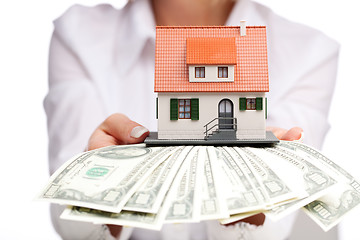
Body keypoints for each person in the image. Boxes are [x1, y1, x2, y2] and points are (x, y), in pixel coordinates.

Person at [44, 0, 339, 239]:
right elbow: (69, 220)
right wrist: (97, 197)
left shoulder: (311, 52)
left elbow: (272, 225)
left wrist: (251, 200)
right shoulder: (79, 36)